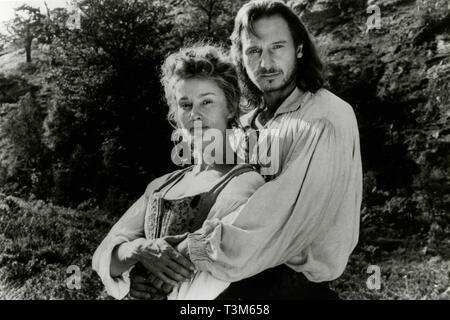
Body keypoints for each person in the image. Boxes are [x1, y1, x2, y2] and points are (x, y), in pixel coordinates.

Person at [129, 0, 363, 300]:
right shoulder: (240, 125)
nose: (266, 63)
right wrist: (144, 263)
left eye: (277, 46)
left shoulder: (326, 117)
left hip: (290, 288)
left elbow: (279, 214)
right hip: (222, 283)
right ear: (240, 56)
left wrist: (185, 253)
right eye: (254, 50)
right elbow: (205, 200)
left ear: (299, 49)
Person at [92, 44, 266, 300]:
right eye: (185, 104)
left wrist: (131, 275)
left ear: (230, 107)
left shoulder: (246, 183)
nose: (195, 114)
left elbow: (206, 278)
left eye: (207, 101)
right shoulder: (162, 185)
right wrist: (139, 250)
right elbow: (102, 257)